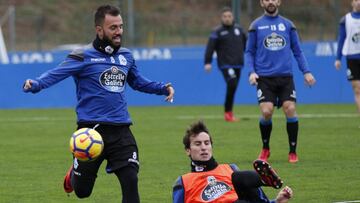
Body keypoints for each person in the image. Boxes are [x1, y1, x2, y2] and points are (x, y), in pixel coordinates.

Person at [23, 5, 174, 202]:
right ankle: (74, 173)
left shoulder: (126, 56)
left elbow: (137, 81)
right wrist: (36, 84)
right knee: (82, 192)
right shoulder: (82, 55)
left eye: (120, 26)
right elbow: (56, 73)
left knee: (130, 179)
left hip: (121, 130)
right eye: (113, 28)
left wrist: (162, 88)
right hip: (90, 131)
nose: (119, 31)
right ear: (99, 30)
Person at [245, 0, 316, 163]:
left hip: (285, 77)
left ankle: (292, 151)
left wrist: (306, 72)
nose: (270, 1)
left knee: (290, 108)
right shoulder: (255, 26)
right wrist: (251, 72)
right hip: (264, 78)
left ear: (279, 2)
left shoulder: (288, 25)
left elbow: (297, 51)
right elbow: (249, 52)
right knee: (266, 112)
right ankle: (265, 148)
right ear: (262, 3)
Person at [173, 121, 293, 203]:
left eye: (207, 143)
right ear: (188, 150)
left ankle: (264, 179)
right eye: (198, 144)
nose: (203, 147)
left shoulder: (230, 169)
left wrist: (277, 201)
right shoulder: (183, 182)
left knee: (237, 177)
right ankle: (262, 179)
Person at [204, 7, 247, 122]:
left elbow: (247, 45)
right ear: (221, 18)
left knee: (233, 88)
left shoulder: (239, 30)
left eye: (229, 16)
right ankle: (228, 114)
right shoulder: (217, 32)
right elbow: (210, 47)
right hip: (225, 64)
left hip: (238, 64)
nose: (227, 18)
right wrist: (207, 62)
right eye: (225, 16)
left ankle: (229, 112)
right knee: (232, 83)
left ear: (232, 17)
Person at [335, 0, 360, 114]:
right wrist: (338, 58)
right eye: (356, 0)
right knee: (357, 89)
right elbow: (341, 39)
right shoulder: (345, 19)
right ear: (352, 3)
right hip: (352, 58)